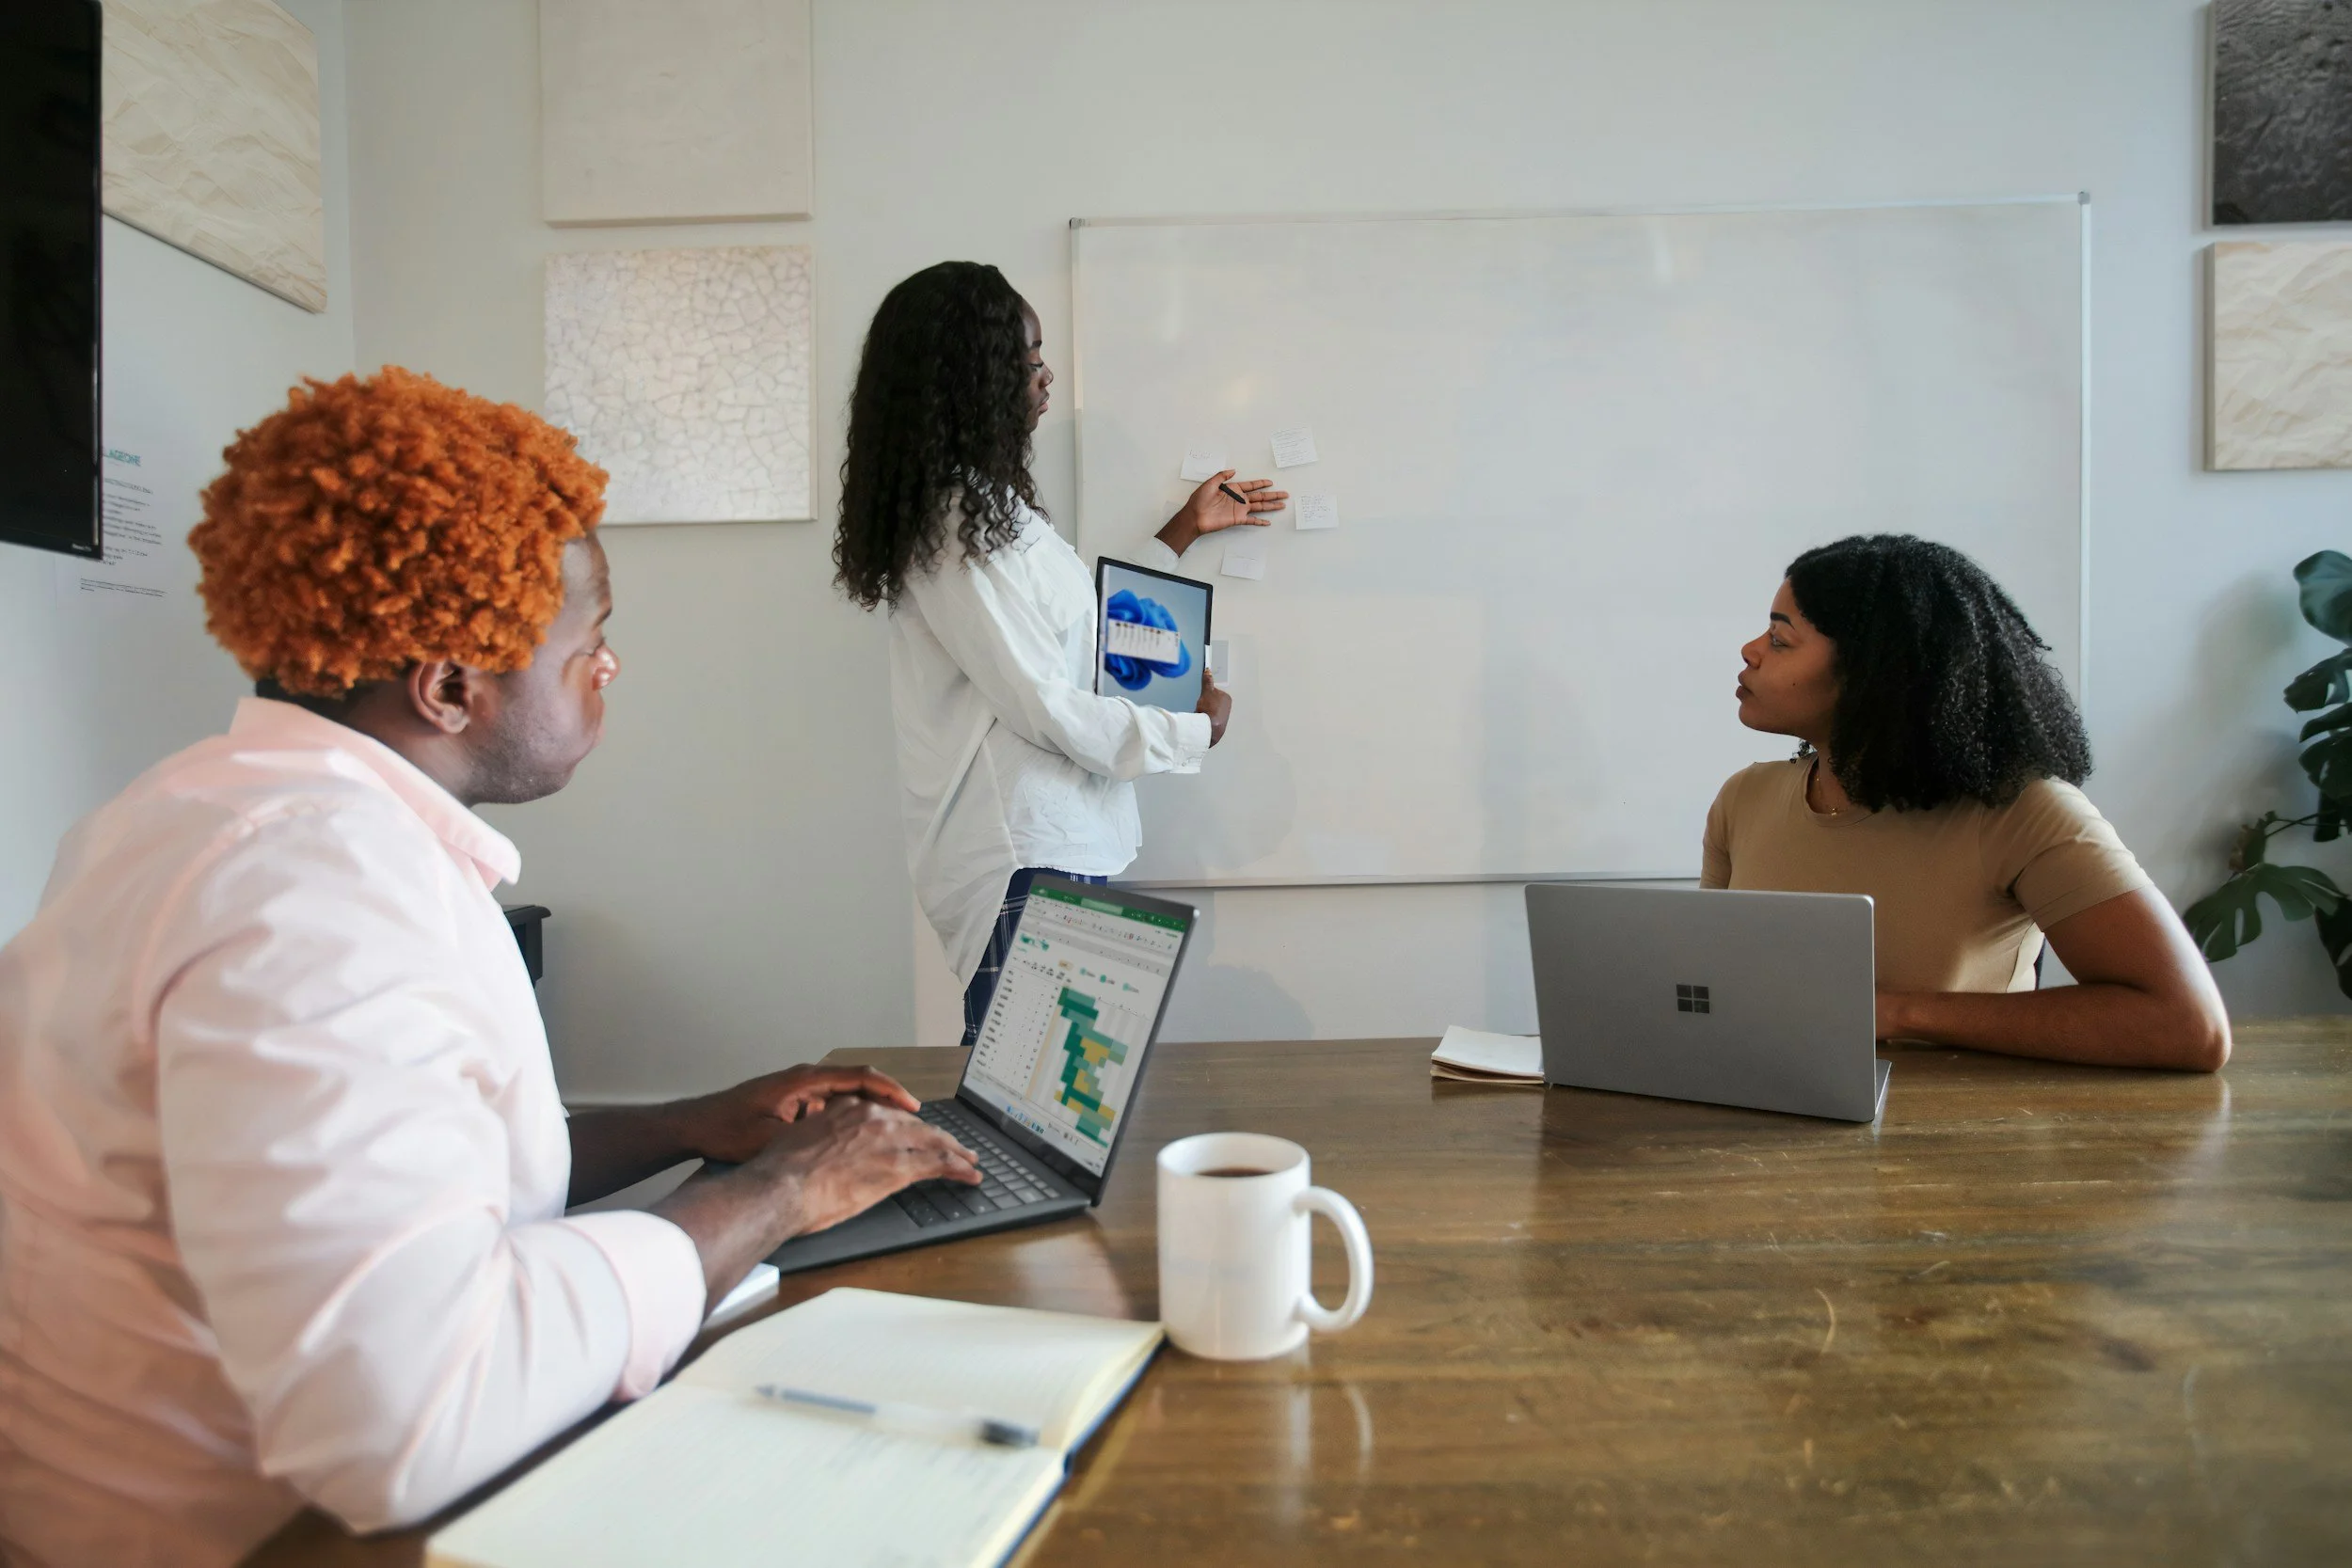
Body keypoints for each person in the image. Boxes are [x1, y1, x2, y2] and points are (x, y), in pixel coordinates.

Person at [0, 369, 980, 1568]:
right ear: (451, 686)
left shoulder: (195, 810)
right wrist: (780, 1191)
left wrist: (690, 1124)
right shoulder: (314, 897)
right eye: (591, 634)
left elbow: (407, 1165)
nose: (607, 667)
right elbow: (405, 1414)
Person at [834, 261, 1284, 1042]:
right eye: (1027, 358)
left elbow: (1082, 631)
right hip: (1028, 857)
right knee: (1036, 1118)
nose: (1045, 377)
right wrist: (1193, 730)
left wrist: (1182, 530)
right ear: (970, 377)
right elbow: (1045, 702)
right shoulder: (953, 525)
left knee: (1063, 1112)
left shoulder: (986, 510)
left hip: (1061, 842)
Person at [1705, 533, 2231, 1071]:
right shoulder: (1743, 799)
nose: (1750, 651)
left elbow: (2187, 1026)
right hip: (1769, 1124)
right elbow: (1713, 994)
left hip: (1956, 1143)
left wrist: (1894, 1013)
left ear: (1877, 670)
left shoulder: (2025, 813)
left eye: (1780, 639)